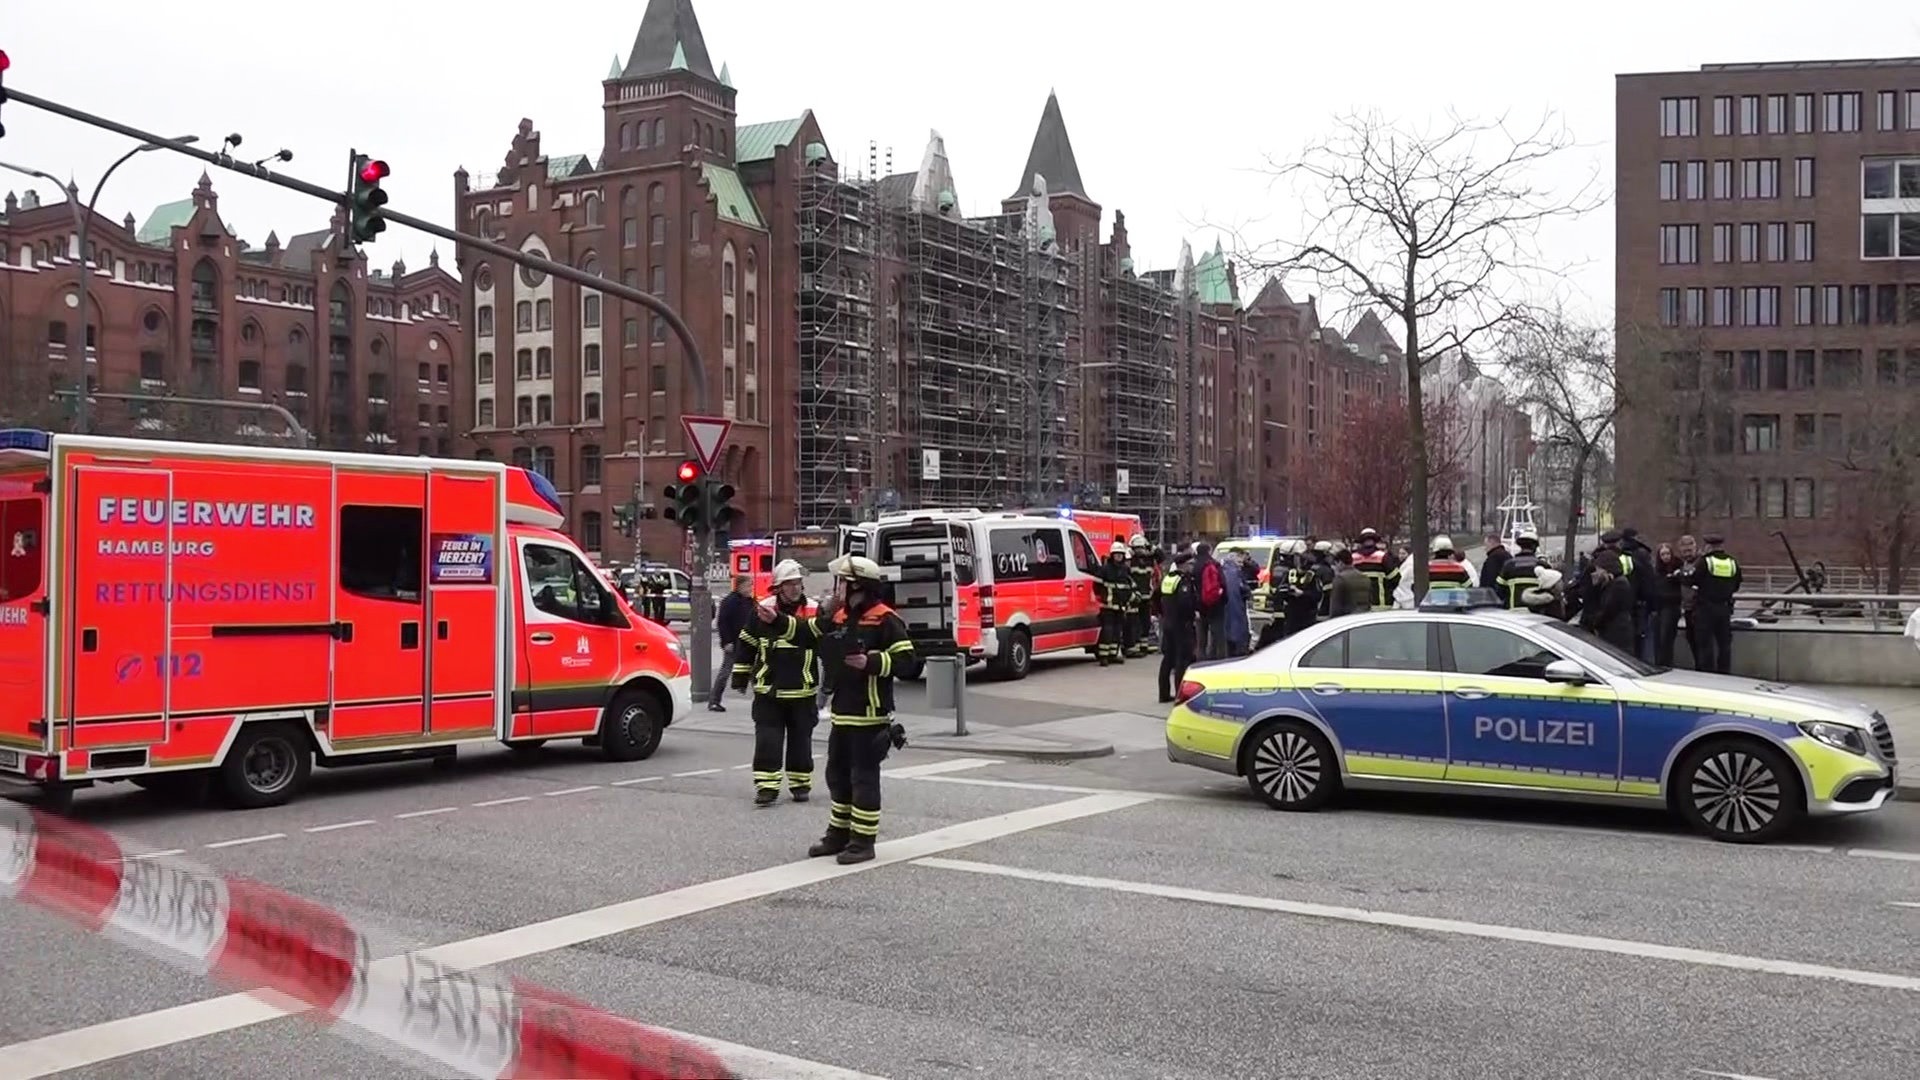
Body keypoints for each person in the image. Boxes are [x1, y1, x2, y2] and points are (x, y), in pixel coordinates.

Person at [772, 555, 914, 865]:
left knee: (864, 779)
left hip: (870, 714)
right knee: (837, 775)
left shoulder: (884, 618)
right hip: (843, 713)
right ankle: (839, 834)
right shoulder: (839, 617)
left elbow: (908, 660)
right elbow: (807, 633)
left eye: (842, 583)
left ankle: (863, 842)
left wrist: (872, 662)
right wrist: (776, 621)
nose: (837, 590)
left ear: (858, 586)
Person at [732, 560, 820, 806]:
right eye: (790, 583)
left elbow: (824, 643)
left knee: (801, 741)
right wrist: (740, 675)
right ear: (778, 587)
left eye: (798, 583)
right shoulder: (762, 609)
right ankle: (767, 787)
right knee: (768, 741)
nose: (795, 588)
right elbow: (747, 642)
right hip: (768, 689)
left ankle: (800, 783)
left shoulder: (813, 609)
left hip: (803, 690)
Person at [1692, 533, 1741, 674]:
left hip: (1706, 608)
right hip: (1724, 608)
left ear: (1709, 546)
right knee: (1724, 645)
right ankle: (1724, 674)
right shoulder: (1732, 562)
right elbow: (1737, 583)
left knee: (1705, 644)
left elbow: (1692, 579)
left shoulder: (1705, 561)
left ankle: (1708, 675)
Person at [707, 575, 755, 712]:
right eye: (748, 585)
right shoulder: (730, 601)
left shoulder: (750, 602)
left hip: (748, 642)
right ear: (740, 586)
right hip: (734, 642)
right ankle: (714, 700)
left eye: (751, 585)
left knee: (753, 672)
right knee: (725, 671)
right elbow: (722, 623)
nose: (750, 588)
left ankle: (762, 701)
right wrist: (726, 641)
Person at [1156, 549, 1198, 703]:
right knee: (1182, 659)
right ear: (1183, 565)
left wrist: (1163, 613)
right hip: (1181, 625)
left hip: (1168, 623)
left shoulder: (1168, 579)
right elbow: (1185, 603)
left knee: (1168, 659)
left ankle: (1164, 693)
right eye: (1190, 564)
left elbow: (1156, 596)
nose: (1192, 567)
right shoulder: (1183, 580)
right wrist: (1193, 614)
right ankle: (1181, 695)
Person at [1393, 535, 1478, 608]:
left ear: (1434, 551)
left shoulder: (1426, 569)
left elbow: (1415, 587)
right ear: (1451, 552)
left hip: (1431, 608)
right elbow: (1469, 588)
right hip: (1453, 609)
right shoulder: (1459, 569)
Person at [1580, 551, 1637, 651]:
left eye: (1598, 570)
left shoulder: (1619, 585)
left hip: (1617, 633)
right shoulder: (1611, 584)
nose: (1596, 573)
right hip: (1612, 631)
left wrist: (1593, 622)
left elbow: (1608, 610)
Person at [1094, 541, 1134, 666]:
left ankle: (1112, 654)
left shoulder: (1125, 569)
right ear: (1112, 555)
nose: (1119, 557)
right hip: (1108, 606)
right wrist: (1102, 598)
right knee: (1107, 631)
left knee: (1117, 631)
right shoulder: (1105, 569)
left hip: (1120, 605)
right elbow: (1097, 585)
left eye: (1121, 555)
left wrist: (1131, 598)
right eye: (1116, 554)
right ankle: (1103, 656)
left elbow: (1128, 586)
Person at [1192, 542, 1228, 660]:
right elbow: (1223, 583)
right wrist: (1223, 600)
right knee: (1218, 634)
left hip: (1200, 605)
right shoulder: (1214, 564)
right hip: (1216, 604)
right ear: (1209, 550)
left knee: (1201, 637)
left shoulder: (1194, 566)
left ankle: (1201, 659)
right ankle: (1219, 658)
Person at [1493, 531, 1543, 609]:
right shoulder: (1543, 565)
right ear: (1535, 547)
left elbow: (1499, 590)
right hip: (1537, 613)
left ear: (1520, 546)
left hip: (1514, 614)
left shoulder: (1509, 565)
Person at [1126, 535, 1157, 658]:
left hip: (1146, 597)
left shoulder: (1149, 558)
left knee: (1145, 622)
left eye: (1141, 547)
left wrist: (1151, 547)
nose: (1139, 550)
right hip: (1135, 597)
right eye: (1137, 548)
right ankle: (1135, 646)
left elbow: (1161, 556)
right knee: (1134, 622)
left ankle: (1144, 646)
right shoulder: (1131, 560)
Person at [1350, 527, 1397, 610]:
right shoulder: (1383, 557)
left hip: (1358, 605)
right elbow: (1396, 578)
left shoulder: (1353, 558)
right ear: (1375, 541)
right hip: (1381, 605)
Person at [1326, 546, 1374, 617]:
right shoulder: (1365, 577)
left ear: (1340, 562)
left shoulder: (1340, 579)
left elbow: (1335, 607)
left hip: (1347, 619)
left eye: (1335, 564)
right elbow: (1370, 600)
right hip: (1364, 618)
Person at [1221, 549, 1251, 657]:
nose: (1241, 565)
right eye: (1239, 562)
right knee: (1237, 632)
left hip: (1226, 609)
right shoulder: (1236, 573)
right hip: (1237, 608)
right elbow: (1244, 590)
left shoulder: (1222, 570)